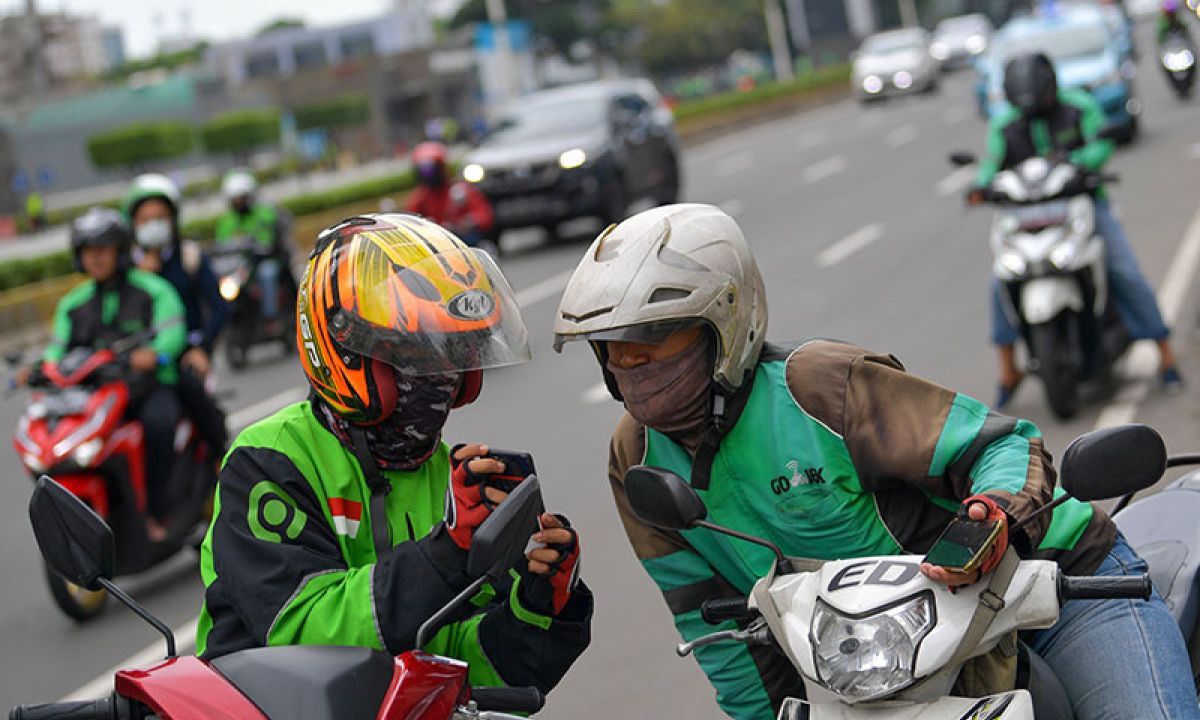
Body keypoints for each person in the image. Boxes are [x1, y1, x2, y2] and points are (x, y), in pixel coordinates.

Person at [552, 203, 1199, 720]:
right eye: (614, 350)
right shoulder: (635, 459)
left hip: (1053, 590)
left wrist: (994, 514)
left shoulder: (819, 388)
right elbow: (716, 625)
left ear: (723, 325)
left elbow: (1007, 445)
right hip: (895, 663)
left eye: (654, 342)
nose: (632, 367)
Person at [196, 214, 592, 697]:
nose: (440, 377)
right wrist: (445, 556)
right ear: (344, 352)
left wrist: (537, 609)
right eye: (416, 356)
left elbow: (462, 672)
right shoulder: (270, 460)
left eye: (453, 355)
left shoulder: (452, 481)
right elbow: (306, 635)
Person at [968, 52, 1183, 408]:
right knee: (1000, 282)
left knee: (1124, 271)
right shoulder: (1004, 123)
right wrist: (981, 187)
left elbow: (1101, 143)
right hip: (1026, 216)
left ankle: (1165, 354)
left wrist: (1079, 164)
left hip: (1082, 206)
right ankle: (1008, 370)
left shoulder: (1079, 107)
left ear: (1051, 89)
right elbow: (991, 163)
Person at [24, 208, 187, 541]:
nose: (95, 258)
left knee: (158, 425)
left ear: (120, 251)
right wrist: (43, 368)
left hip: (148, 387)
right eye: (87, 251)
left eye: (102, 249)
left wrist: (155, 354)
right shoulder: (72, 304)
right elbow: (56, 351)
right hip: (95, 397)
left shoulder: (153, 289)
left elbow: (172, 333)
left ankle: (159, 511)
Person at [124, 173, 230, 458]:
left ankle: (220, 458)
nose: (153, 225)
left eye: (160, 217)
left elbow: (219, 308)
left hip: (185, 353)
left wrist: (202, 348)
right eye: (145, 219)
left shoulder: (189, 256)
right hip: (139, 357)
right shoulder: (126, 269)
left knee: (194, 393)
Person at [214, 168, 292, 323]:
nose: (238, 203)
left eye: (241, 198)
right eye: (235, 200)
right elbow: (221, 245)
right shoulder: (226, 222)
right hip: (240, 266)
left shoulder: (265, 213)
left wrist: (263, 246)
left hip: (264, 261)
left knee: (267, 273)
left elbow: (270, 238)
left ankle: (271, 316)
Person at [405, 141, 497, 253]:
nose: (428, 175)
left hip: (464, 244)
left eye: (431, 170)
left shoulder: (460, 190)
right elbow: (410, 224)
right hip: (438, 247)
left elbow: (485, 216)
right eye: (424, 171)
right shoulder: (420, 198)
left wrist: (469, 222)